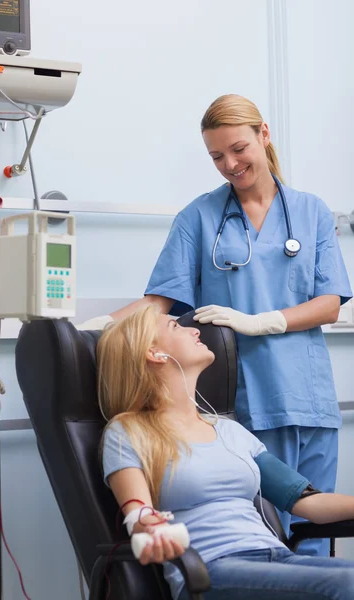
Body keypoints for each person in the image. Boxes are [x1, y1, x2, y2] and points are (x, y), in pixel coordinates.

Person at [79, 94, 353, 556]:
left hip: (309, 396)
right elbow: (158, 301)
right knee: (263, 535)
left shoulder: (312, 212)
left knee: (313, 535)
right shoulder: (199, 217)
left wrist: (261, 321)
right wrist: (90, 328)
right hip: (245, 397)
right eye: (216, 156)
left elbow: (329, 304)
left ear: (264, 135)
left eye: (238, 149)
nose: (229, 164)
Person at [98, 306, 354, 600]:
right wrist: (151, 529)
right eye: (175, 328)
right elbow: (139, 513)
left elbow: (308, 502)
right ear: (154, 354)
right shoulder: (128, 431)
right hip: (211, 571)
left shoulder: (230, 431)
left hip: (278, 560)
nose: (194, 329)